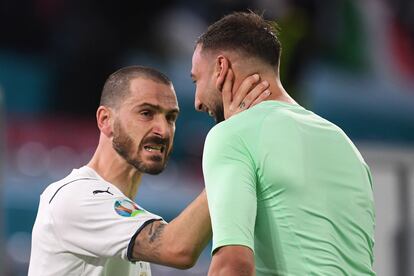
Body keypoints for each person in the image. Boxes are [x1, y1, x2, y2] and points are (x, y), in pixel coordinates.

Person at [28, 65, 269, 276]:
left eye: (171, 118)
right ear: (105, 120)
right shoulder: (75, 197)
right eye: (146, 113)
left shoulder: (130, 222)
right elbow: (178, 249)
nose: (163, 130)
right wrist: (237, 147)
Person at [191, 11, 376, 275]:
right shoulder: (345, 144)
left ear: (221, 68)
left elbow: (232, 265)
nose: (197, 101)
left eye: (196, 79)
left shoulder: (231, 135)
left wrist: (233, 131)